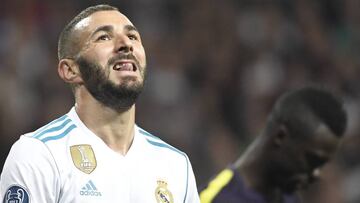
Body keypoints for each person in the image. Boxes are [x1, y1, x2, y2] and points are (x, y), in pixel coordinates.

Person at [0, 4, 200, 203]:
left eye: (133, 37)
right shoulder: (40, 155)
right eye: (104, 37)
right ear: (71, 70)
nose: (125, 44)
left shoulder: (176, 165)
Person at [200, 86, 347, 203]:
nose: (316, 174)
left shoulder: (288, 198)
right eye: (312, 161)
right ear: (280, 137)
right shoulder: (218, 199)